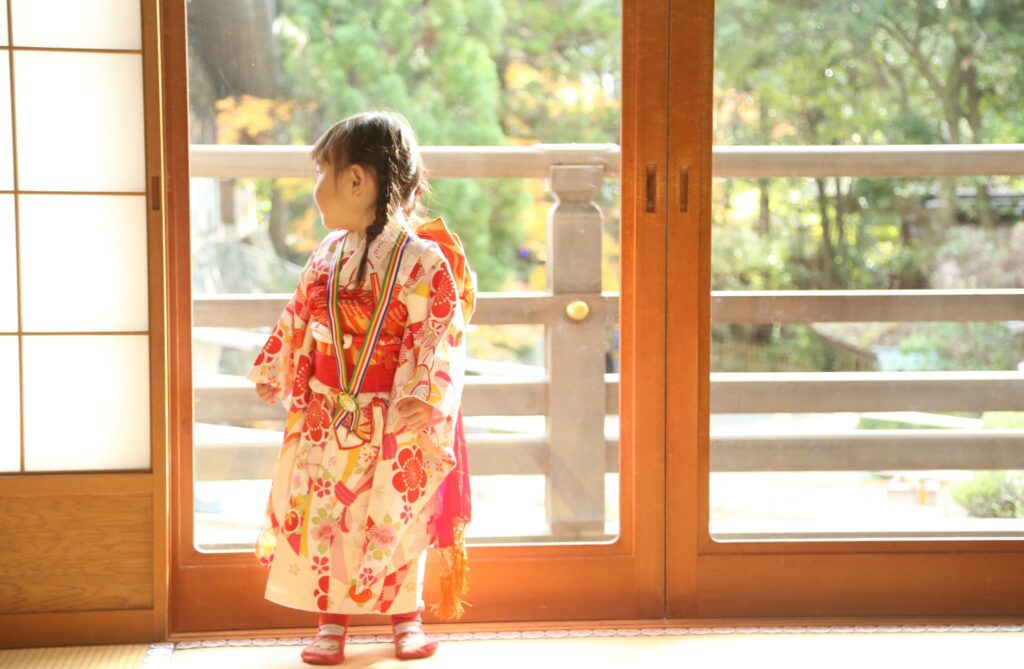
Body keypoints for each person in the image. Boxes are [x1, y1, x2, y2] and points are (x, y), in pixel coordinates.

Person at [247, 109, 476, 665]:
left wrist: (427, 391)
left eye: (323, 174)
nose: (317, 190)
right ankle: (332, 620)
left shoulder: (423, 261)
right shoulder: (326, 256)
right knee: (329, 516)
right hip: (331, 413)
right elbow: (298, 318)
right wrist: (275, 365)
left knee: (399, 515)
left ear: (357, 180)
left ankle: (406, 616)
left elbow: (440, 329)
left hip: (395, 416)